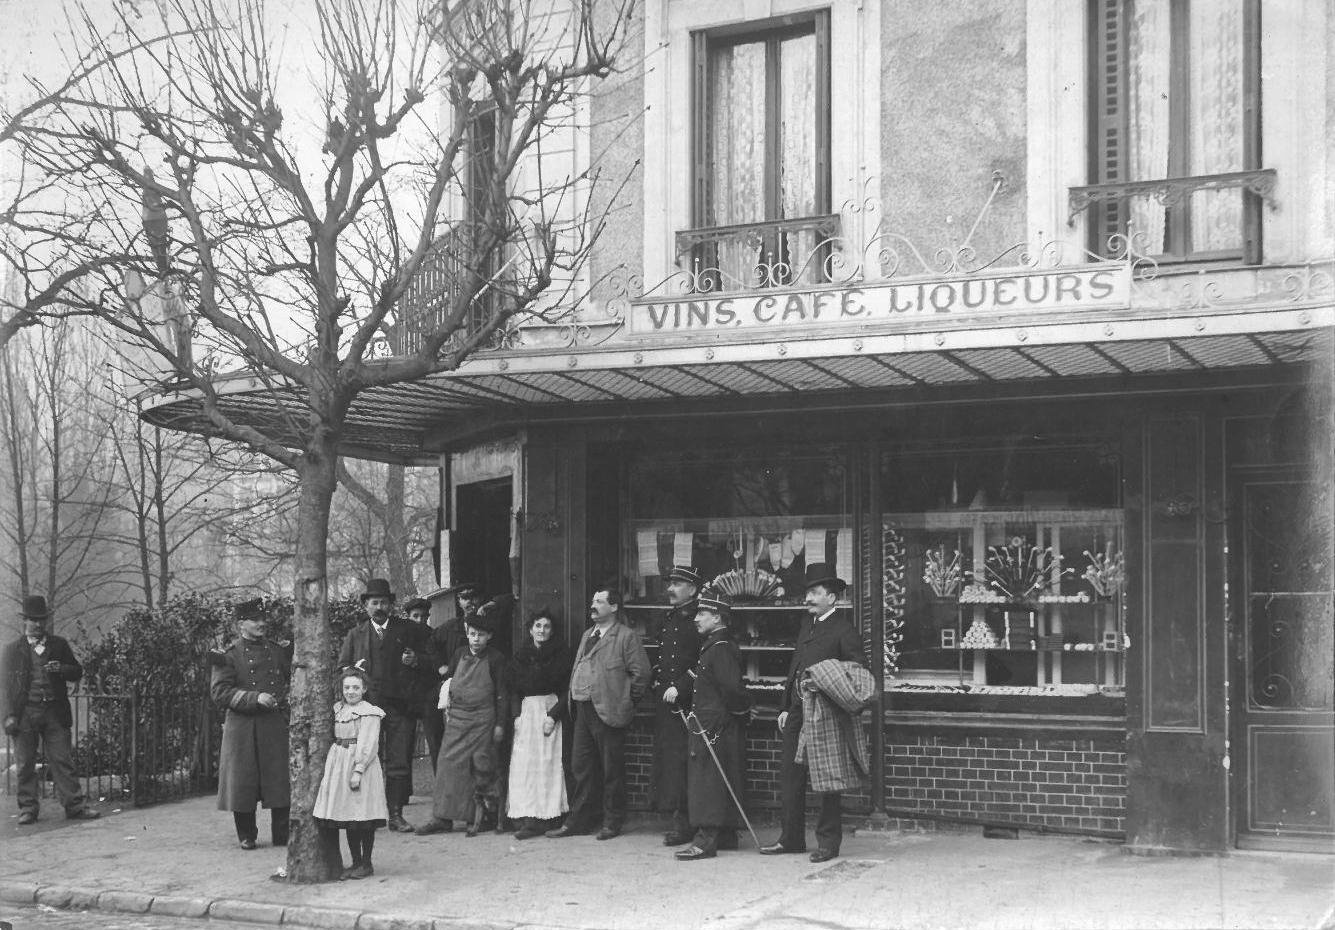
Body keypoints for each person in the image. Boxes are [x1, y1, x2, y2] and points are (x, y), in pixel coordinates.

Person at [760, 563, 867, 864]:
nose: (808, 598)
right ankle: (791, 839)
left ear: (831, 598)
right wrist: (785, 706)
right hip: (798, 711)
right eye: (808, 592)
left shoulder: (844, 630)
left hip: (826, 713)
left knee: (827, 778)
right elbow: (795, 667)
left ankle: (828, 843)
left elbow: (858, 672)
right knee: (791, 775)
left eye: (815, 592)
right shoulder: (807, 625)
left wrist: (825, 681)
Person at [547, 585, 650, 841]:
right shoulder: (587, 634)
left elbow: (642, 674)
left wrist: (625, 701)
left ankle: (612, 822)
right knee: (581, 767)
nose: (593, 606)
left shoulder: (626, 636)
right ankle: (580, 821)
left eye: (600, 602)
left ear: (614, 607)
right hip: (582, 710)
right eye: (593, 601)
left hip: (610, 711)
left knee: (611, 770)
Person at [337, 578, 428, 834]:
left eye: (384, 602)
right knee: (366, 759)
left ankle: (395, 815)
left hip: (400, 707)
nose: (379, 607)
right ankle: (368, 814)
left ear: (391, 605)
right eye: (374, 602)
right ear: (366, 605)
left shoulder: (408, 630)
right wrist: (352, 672)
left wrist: (416, 660)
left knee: (399, 761)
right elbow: (342, 668)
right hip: (367, 710)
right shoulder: (355, 635)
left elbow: (431, 657)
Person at [1, 595, 100, 825]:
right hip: (25, 713)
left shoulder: (59, 645)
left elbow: (77, 671)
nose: (38, 624)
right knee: (25, 764)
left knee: (63, 760)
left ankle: (75, 806)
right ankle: (28, 809)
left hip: (55, 712)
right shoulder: (12, 650)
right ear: (24, 621)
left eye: (41, 620)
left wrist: (62, 668)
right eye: (33, 620)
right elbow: (3, 687)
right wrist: (8, 716)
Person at [415, 606, 508, 837]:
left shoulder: (496, 659)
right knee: (447, 765)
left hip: (483, 721)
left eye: (481, 635)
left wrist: (500, 725)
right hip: (457, 719)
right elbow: (450, 681)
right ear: (467, 633)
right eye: (472, 634)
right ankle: (442, 817)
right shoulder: (459, 654)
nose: (476, 639)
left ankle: (476, 818)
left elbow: (502, 694)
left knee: (477, 770)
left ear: (489, 636)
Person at [675, 593, 752, 861]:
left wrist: (739, 712)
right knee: (717, 778)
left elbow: (732, 689)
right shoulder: (716, 644)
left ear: (717, 617)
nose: (696, 619)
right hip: (712, 722)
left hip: (714, 724)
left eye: (702, 614)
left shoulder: (720, 647)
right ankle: (726, 836)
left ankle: (705, 841)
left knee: (707, 782)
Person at [212, 598, 291, 849]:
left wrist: (285, 699)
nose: (261, 624)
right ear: (240, 624)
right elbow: (219, 692)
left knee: (279, 780)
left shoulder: (277, 651)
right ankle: (246, 835)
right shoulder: (228, 656)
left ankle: (282, 834)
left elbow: (291, 680)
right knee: (242, 783)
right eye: (254, 620)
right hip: (242, 727)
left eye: (262, 619)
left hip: (273, 724)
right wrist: (254, 698)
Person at [313, 665, 388, 880]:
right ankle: (355, 861)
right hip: (339, 763)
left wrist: (358, 770)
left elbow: (369, 744)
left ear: (364, 689)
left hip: (361, 765)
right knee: (348, 816)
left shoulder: (369, 712)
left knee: (363, 815)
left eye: (356, 687)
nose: (351, 692)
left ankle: (366, 863)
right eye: (347, 687)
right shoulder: (338, 709)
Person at [506, 609, 572, 840]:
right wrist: (516, 717)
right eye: (538, 626)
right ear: (530, 629)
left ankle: (548, 817)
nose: (542, 630)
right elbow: (513, 690)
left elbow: (567, 691)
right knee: (526, 765)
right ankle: (528, 817)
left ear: (552, 631)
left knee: (547, 763)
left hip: (549, 710)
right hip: (527, 713)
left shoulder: (561, 655)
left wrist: (553, 716)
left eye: (546, 626)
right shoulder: (520, 656)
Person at [653, 566, 703, 846]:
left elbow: (705, 660)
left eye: (677, 584)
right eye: (670, 583)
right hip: (667, 702)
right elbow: (663, 657)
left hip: (691, 702)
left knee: (687, 763)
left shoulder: (700, 617)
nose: (670, 589)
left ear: (692, 589)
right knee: (672, 762)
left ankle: (688, 823)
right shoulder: (669, 618)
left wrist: (682, 686)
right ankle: (678, 818)